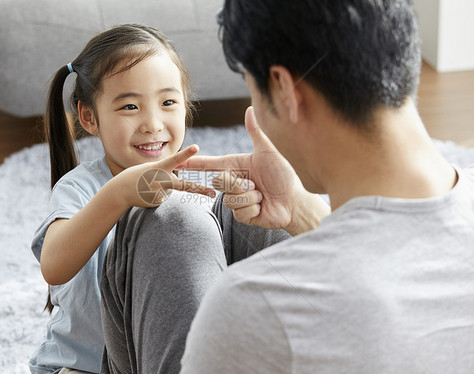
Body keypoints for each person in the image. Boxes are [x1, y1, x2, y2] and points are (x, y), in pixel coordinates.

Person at [176, 0, 474, 373]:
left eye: (252, 88)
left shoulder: (256, 307)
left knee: (167, 222)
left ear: (285, 89)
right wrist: (302, 210)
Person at [28, 24, 220, 374]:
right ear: (89, 118)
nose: (152, 123)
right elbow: (53, 266)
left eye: (168, 102)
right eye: (130, 106)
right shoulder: (82, 187)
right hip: (83, 367)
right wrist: (117, 195)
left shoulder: (192, 187)